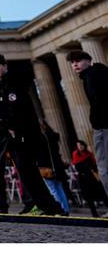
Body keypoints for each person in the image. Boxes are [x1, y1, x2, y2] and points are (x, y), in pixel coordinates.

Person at [0, 53, 63, 215]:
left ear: (5, 66)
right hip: (11, 132)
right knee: (26, 172)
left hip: (12, 132)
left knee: (10, 170)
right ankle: (45, 206)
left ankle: (6, 206)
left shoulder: (6, 83)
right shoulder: (1, 82)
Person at [66, 49, 108, 179]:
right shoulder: (99, 73)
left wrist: (95, 122)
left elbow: (98, 101)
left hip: (102, 126)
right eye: (72, 62)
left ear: (89, 61)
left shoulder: (90, 76)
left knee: (103, 167)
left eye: (78, 61)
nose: (74, 65)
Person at [37, 122, 70, 216]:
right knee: (60, 189)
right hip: (58, 166)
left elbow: (42, 155)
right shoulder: (53, 137)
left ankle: (58, 210)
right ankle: (66, 210)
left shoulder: (42, 138)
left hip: (47, 167)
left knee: (52, 190)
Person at [71, 139, 105, 216]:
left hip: (92, 177)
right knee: (89, 197)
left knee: (101, 193)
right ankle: (94, 214)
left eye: (81, 145)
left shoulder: (89, 154)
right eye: (78, 146)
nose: (80, 147)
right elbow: (77, 166)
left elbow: (94, 164)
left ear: (84, 145)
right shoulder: (76, 154)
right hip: (83, 178)